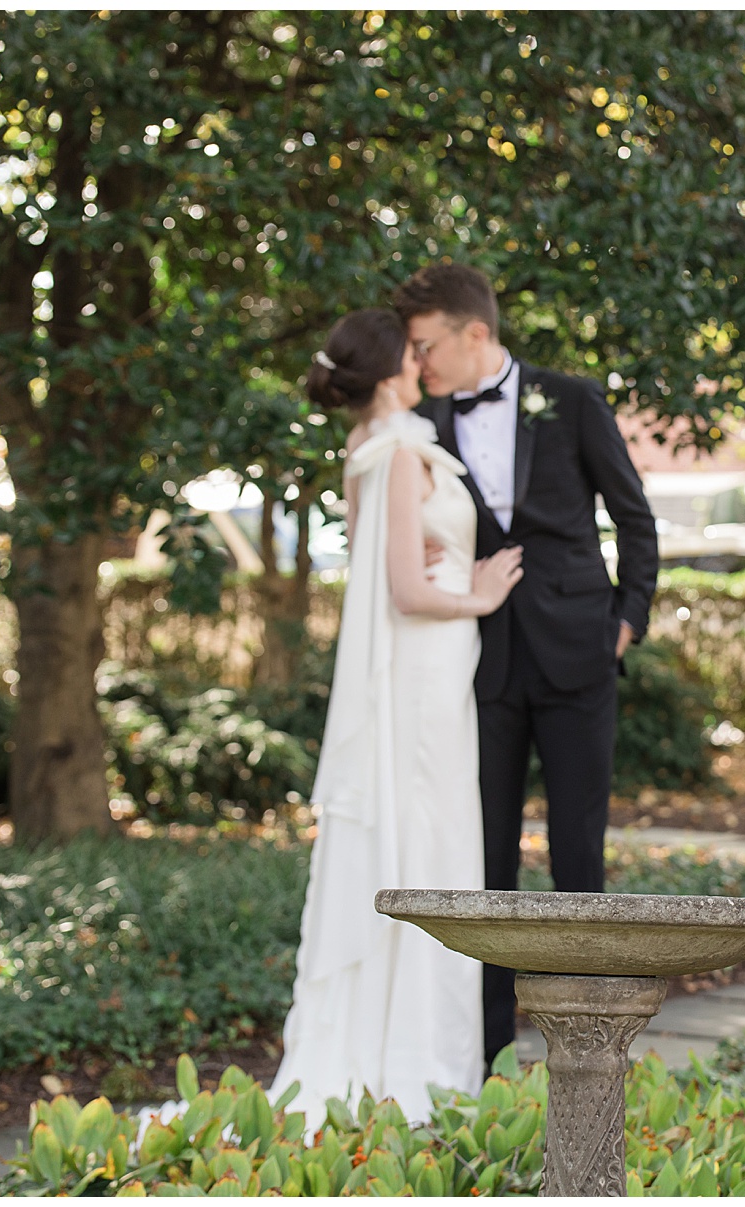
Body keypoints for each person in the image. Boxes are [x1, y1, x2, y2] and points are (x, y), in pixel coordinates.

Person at [395, 264, 659, 1069]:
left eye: (426, 342)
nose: (419, 359)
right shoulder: (425, 421)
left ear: (475, 333)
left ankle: (587, 1050)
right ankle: (485, 1051)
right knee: (486, 858)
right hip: (478, 661)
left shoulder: (572, 398)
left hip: (580, 649)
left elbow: (634, 517)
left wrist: (626, 622)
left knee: (580, 847)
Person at [270, 309, 525, 1126]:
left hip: (433, 669)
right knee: (426, 836)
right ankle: (414, 1061)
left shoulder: (377, 449)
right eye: (411, 355)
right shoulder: (400, 453)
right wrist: (477, 594)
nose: (421, 363)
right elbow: (404, 591)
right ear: (389, 374)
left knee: (432, 835)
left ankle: (413, 1047)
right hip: (421, 668)